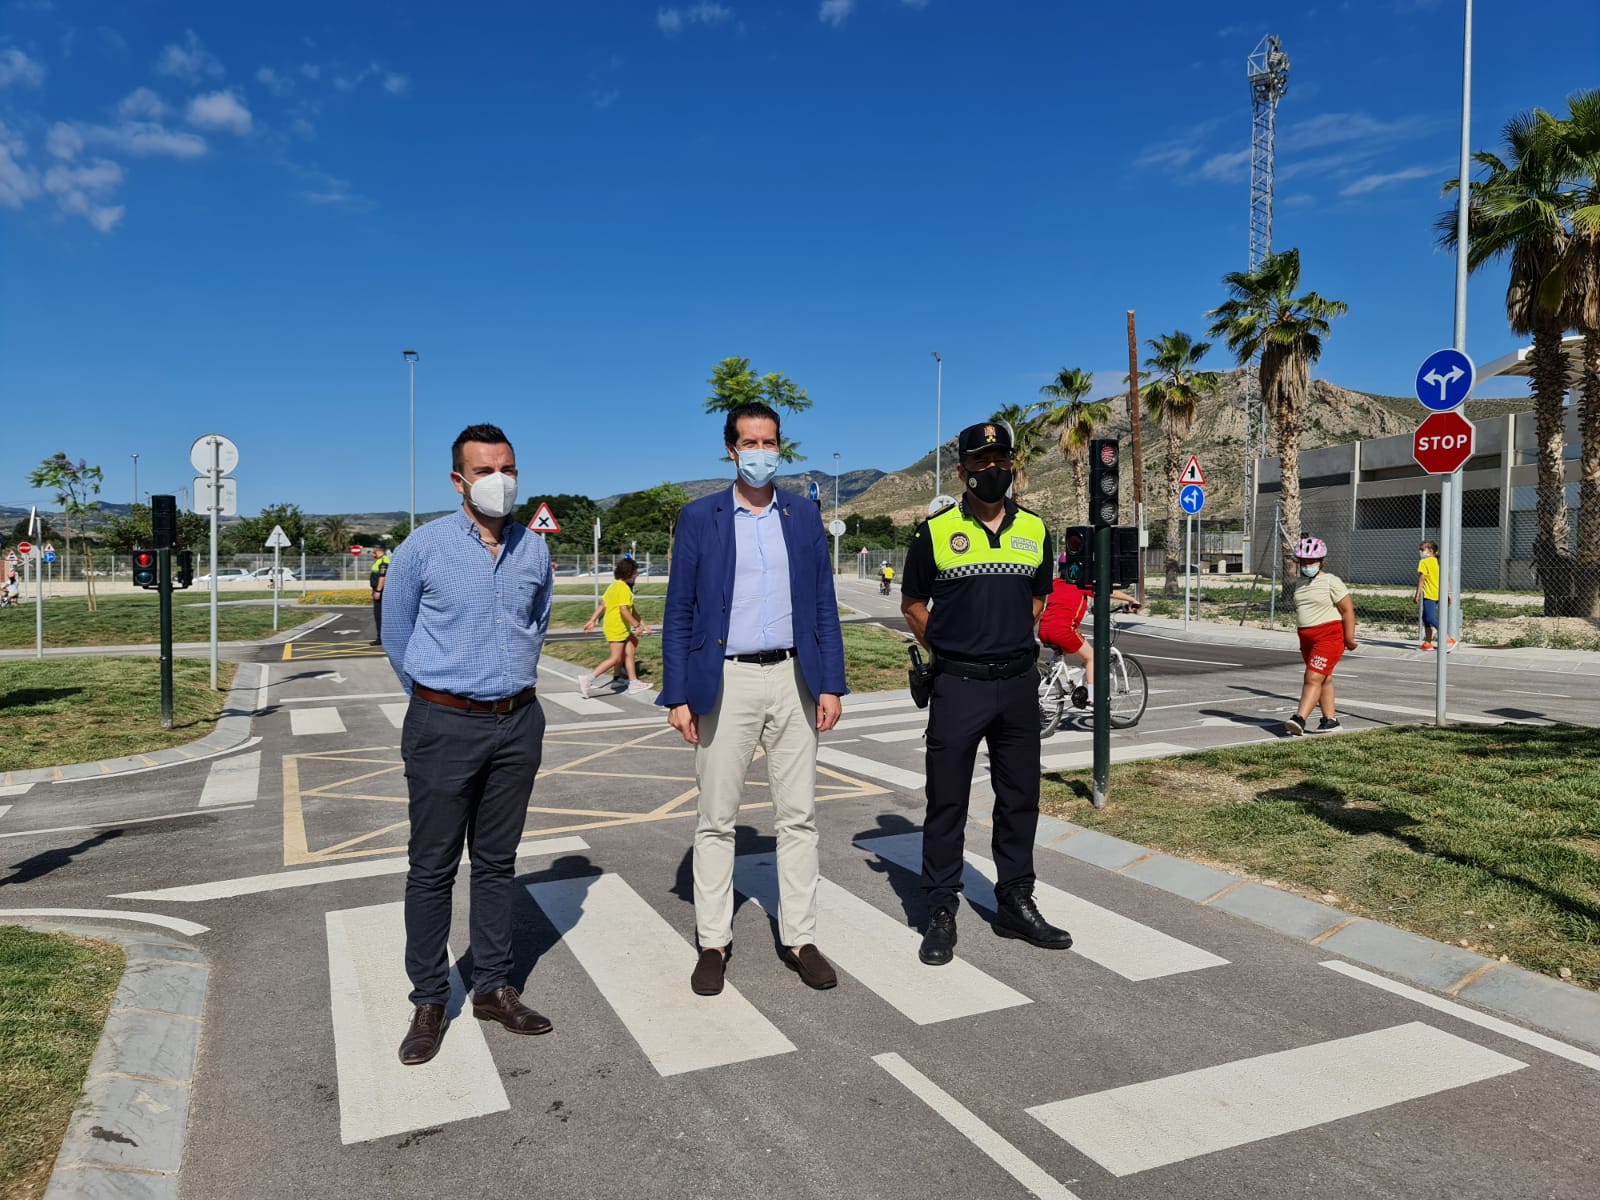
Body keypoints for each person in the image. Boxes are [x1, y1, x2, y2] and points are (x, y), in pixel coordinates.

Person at [380, 423, 555, 1066]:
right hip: (443, 723)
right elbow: (396, 634)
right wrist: (439, 700)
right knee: (431, 867)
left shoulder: (534, 550)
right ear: (459, 480)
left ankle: (493, 987)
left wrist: (505, 692)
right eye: (484, 470)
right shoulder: (422, 548)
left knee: (497, 862)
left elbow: (535, 623)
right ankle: (429, 998)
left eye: (506, 467)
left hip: (519, 722)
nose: (498, 480)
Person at [660, 402, 848, 997]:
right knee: (717, 820)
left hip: (795, 677)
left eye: (770, 441)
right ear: (731, 449)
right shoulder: (699, 518)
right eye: (750, 442)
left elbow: (823, 603)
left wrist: (831, 682)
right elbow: (679, 611)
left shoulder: (802, 516)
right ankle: (713, 942)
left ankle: (801, 938)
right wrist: (678, 693)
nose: (761, 452)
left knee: (799, 817)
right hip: (726, 680)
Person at [900, 421, 1073, 967]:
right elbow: (912, 606)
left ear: (1013, 465)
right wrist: (954, 650)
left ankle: (1015, 902)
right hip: (959, 684)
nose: (993, 469)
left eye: (1001, 460)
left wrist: (1004, 640)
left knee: (1020, 799)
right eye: (981, 461)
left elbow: (1038, 602)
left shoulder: (1036, 531)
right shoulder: (933, 533)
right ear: (962, 470)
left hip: (1019, 685)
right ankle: (941, 908)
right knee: (946, 801)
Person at [1285, 536, 1358, 736]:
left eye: (1311, 561)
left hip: (1329, 636)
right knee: (1324, 678)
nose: (1307, 565)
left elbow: (1347, 611)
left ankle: (1299, 718)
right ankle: (1330, 720)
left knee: (1312, 676)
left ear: (1321, 561)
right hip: (1306, 638)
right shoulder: (1300, 583)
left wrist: (1349, 638)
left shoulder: (1331, 581)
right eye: (1303, 561)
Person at [1037, 571, 1140, 707]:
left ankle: (1050, 671)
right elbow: (1107, 592)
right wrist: (1131, 599)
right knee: (1091, 657)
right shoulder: (1082, 584)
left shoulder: (1055, 583)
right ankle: (1092, 698)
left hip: (1044, 629)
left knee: (1064, 649)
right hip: (1064, 630)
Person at [579, 557, 652, 696]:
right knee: (616, 658)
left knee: (629, 651)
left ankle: (631, 682)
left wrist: (592, 620)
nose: (636, 575)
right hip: (617, 628)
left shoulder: (614, 586)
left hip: (616, 627)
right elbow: (624, 610)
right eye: (635, 573)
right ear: (629, 573)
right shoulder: (624, 589)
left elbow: (604, 605)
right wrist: (636, 626)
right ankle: (588, 679)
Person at [1413, 541, 1455, 650]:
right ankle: (1427, 643)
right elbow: (1446, 579)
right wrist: (1449, 593)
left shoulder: (1424, 562)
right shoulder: (1439, 561)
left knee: (1430, 618)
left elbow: (1422, 579)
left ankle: (1448, 639)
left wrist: (1417, 594)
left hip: (1430, 594)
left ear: (1430, 550)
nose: (1420, 552)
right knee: (1425, 618)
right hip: (1439, 594)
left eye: (1422, 549)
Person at [370, 547, 392, 645]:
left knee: (379, 615)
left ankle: (381, 638)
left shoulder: (383, 561)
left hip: (381, 591)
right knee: (380, 615)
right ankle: (382, 637)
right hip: (380, 590)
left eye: (374, 552)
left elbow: (383, 577)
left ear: (378, 551)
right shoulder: (381, 560)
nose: (373, 554)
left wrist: (378, 591)